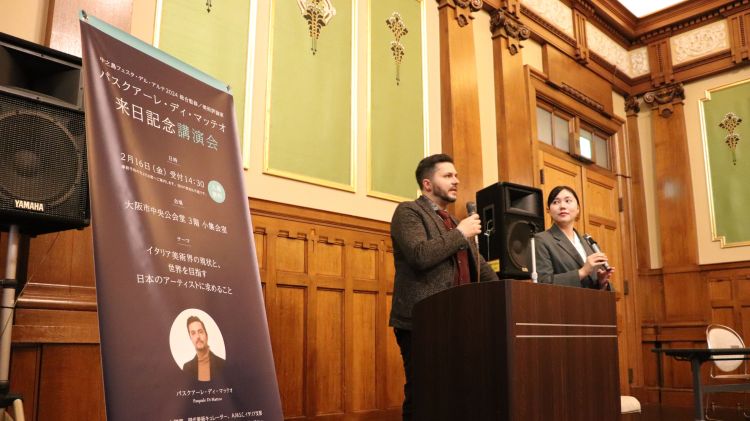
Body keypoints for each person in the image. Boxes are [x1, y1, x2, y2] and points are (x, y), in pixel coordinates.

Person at [389, 153, 498, 421]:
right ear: (427, 184)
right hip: (422, 322)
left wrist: (506, 290)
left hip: (460, 321)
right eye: (448, 176)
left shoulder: (456, 223)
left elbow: (480, 267)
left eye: (456, 175)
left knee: (456, 394)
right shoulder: (409, 212)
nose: (456, 181)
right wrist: (460, 234)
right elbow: (420, 255)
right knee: (424, 395)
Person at [534, 185, 614, 289]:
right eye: (556, 202)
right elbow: (543, 282)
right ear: (549, 210)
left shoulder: (589, 243)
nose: (562, 206)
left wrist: (601, 282)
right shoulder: (541, 240)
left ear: (578, 209)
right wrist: (583, 272)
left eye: (568, 201)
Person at [182, 315, 225, 382]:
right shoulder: (187, 368)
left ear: (206, 335)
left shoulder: (222, 364)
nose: (198, 337)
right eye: (193, 333)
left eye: (200, 332)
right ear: (191, 339)